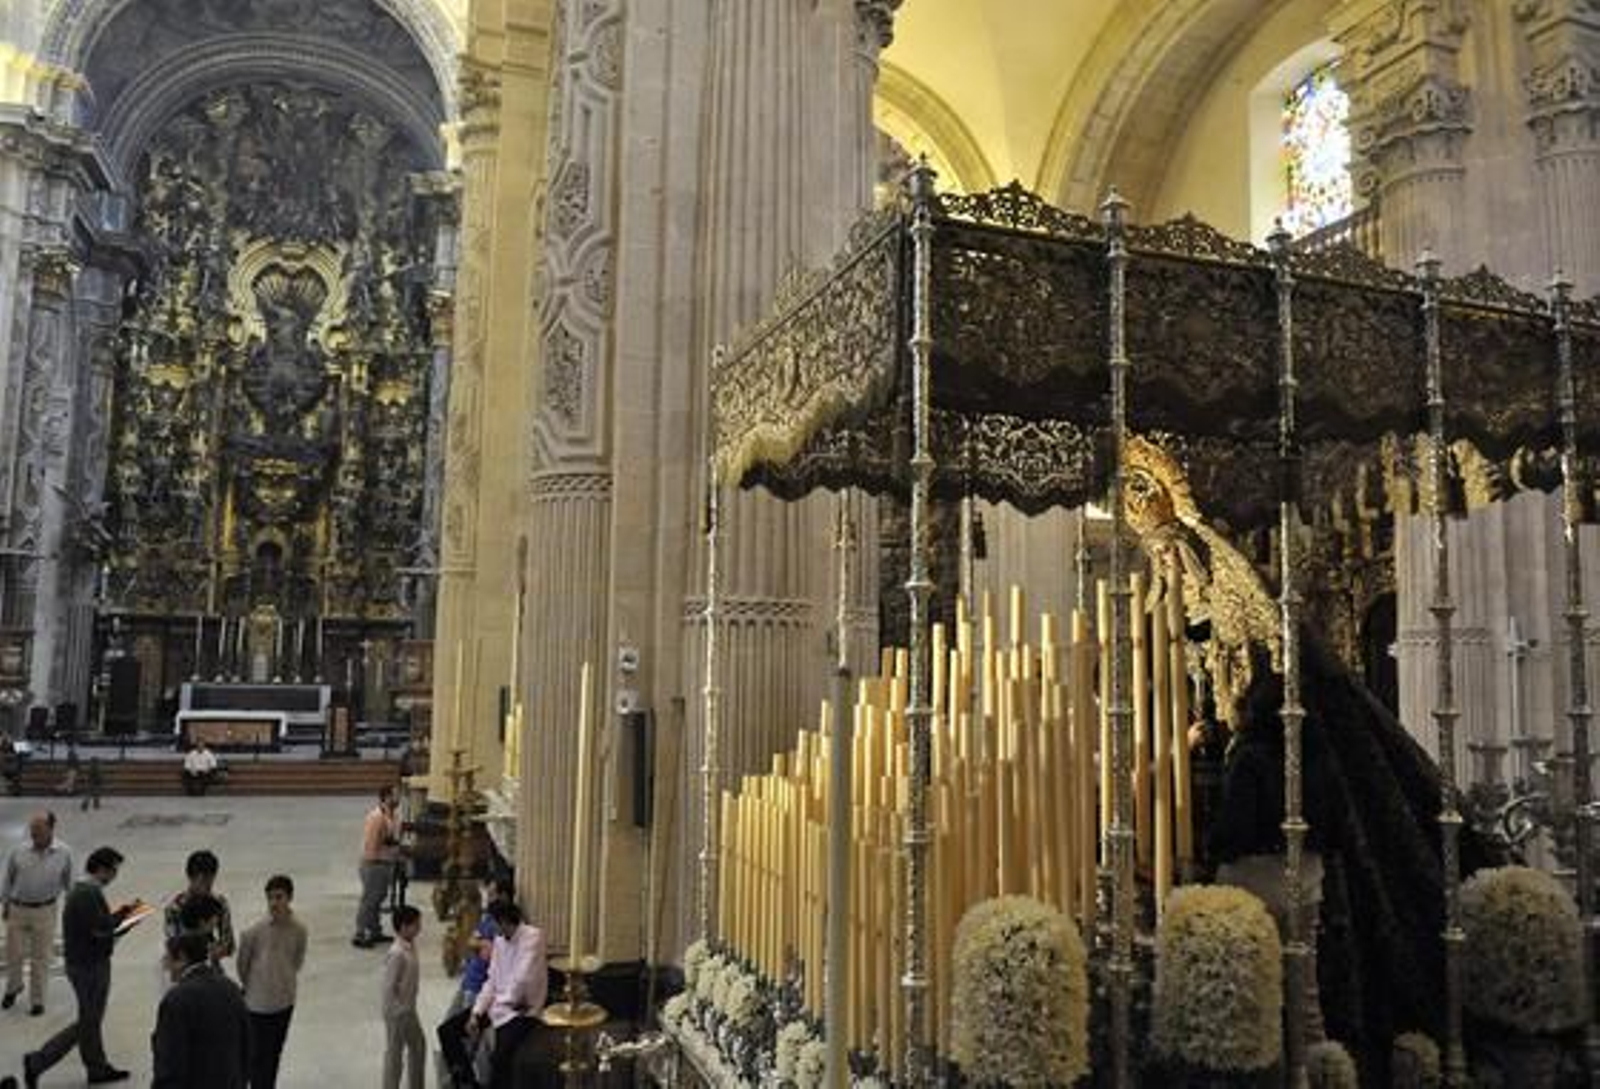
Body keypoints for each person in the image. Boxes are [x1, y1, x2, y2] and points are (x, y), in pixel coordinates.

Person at [22, 846, 137, 1087]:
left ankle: (96, 1067)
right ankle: (39, 1061)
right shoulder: (87, 894)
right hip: (89, 966)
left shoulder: (85, 891)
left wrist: (122, 914)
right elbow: (101, 931)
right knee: (88, 1022)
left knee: (91, 1020)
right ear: (102, 869)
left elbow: (97, 924)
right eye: (113, 870)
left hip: (85, 963)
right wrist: (126, 920)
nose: (114, 876)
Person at [436, 876, 516, 1086]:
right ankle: (456, 1078)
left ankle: (460, 1081)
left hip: (479, 988)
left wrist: (483, 945)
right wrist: (481, 943)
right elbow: (472, 941)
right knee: (447, 1031)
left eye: (492, 893)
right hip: (468, 982)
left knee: (466, 1042)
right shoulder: (489, 917)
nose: (488, 897)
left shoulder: (503, 926)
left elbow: (490, 955)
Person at [151, 929, 251, 1088]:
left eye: (168, 958)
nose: (165, 965)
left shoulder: (176, 1000)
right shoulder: (230, 987)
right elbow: (246, 1044)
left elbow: (170, 1061)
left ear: (182, 958)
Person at [235, 874, 307, 1089]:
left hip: (284, 1002)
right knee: (257, 1057)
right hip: (257, 1005)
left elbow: (296, 961)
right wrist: (255, 988)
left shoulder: (299, 930)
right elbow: (243, 966)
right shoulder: (253, 932)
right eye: (270, 898)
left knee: (275, 1053)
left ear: (289, 898)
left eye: (279, 897)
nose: (274, 903)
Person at [467, 900, 546, 1089]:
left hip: (523, 1011)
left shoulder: (533, 937)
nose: (490, 929)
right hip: (500, 1005)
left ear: (503, 921)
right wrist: (477, 1012)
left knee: (500, 1058)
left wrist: (499, 1003)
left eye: (492, 922)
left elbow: (522, 979)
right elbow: (491, 980)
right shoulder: (500, 941)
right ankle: (465, 1082)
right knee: (450, 1031)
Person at [2, 811, 73, 1016]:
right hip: (18, 908)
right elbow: (8, 879)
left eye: (39, 830)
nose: (34, 834)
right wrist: (5, 903)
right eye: (32, 830)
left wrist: (72, 909)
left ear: (51, 829)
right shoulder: (19, 851)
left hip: (45, 910)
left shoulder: (64, 853)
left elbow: (69, 884)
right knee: (13, 954)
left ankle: (37, 1000)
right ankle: (13, 987)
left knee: (41, 957)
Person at [163, 849, 235, 968]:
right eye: (203, 880)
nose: (208, 886)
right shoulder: (174, 908)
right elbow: (173, 944)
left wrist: (218, 950)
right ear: (190, 877)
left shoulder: (220, 903)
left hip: (211, 966)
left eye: (211, 880)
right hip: (183, 968)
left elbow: (229, 944)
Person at [381, 904, 425, 1089]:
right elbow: (388, 987)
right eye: (416, 924)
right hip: (398, 1013)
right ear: (404, 927)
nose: (420, 927)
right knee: (395, 1055)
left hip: (408, 1009)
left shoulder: (410, 945)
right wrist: (397, 1011)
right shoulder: (397, 953)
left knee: (418, 1047)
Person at [354, 784, 402, 947]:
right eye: (395, 795)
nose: (398, 798)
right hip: (374, 864)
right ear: (387, 797)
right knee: (369, 900)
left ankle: (375, 930)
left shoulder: (392, 815)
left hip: (385, 863)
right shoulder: (376, 817)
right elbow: (371, 844)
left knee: (378, 899)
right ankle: (360, 933)